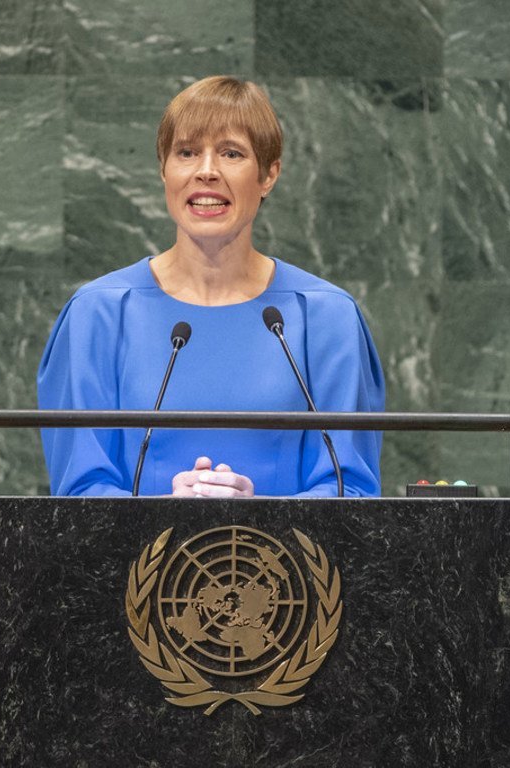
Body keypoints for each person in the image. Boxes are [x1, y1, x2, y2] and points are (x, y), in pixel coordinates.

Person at [38, 76, 384, 497]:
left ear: (269, 175)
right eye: (186, 152)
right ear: (163, 170)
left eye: (231, 153)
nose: (206, 171)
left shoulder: (326, 317)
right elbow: (78, 494)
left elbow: (351, 491)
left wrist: (257, 520)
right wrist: (162, 516)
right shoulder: (97, 313)